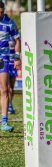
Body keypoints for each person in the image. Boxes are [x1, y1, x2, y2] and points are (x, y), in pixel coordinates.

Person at [0, 1, 21, 132]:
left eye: (1, 12)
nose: (0, 14)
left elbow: (17, 40)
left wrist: (17, 57)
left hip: (5, 59)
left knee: (6, 89)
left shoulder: (10, 23)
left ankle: (4, 122)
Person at [8, 38, 17, 114]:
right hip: (3, 63)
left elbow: (17, 47)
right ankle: (8, 105)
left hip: (12, 64)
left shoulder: (15, 37)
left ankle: (10, 104)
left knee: (11, 87)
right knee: (6, 87)